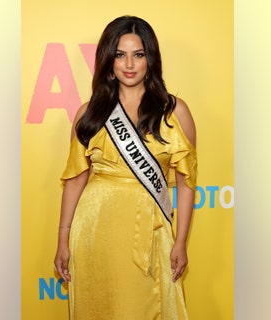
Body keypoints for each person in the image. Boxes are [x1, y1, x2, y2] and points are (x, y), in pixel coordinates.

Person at [54, 15, 197, 319]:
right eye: (120, 55)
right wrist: (63, 239)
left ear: (150, 59)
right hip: (95, 230)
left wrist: (181, 241)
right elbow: (76, 180)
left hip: (150, 229)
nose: (129, 65)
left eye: (138, 54)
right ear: (108, 60)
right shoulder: (88, 113)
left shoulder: (174, 111)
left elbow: (186, 183)